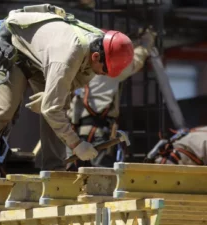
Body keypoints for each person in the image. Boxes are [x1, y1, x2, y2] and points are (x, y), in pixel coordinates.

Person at [0, 4, 134, 180]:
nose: (102, 75)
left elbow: (73, 84)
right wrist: (76, 144)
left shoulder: (100, 46)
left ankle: (55, 171)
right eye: (103, 71)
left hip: (41, 56)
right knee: (6, 108)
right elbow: (52, 109)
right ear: (95, 57)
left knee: (59, 104)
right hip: (13, 45)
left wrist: (52, 95)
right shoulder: (69, 55)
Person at [65, 29, 156, 170]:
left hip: (74, 131)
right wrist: (145, 44)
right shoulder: (110, 67)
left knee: (70, 170)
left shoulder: (82, 63)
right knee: (100, 173)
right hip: (98, 130)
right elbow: (135, 62)